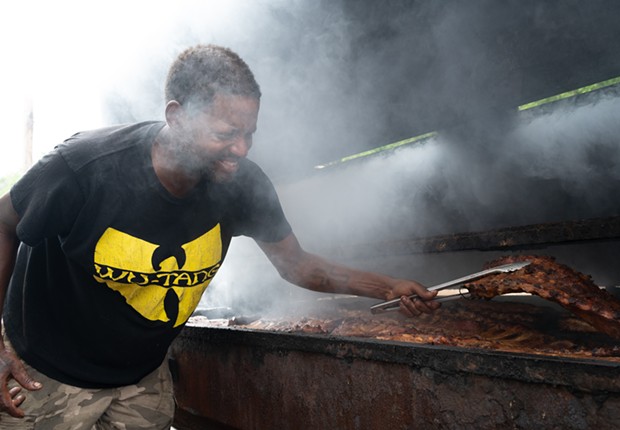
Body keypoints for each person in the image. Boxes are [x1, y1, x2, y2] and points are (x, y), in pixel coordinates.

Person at [0, 44, 440, 428]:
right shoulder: (83, 167)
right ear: (176, 116)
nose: (242, 150)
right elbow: (3, 225)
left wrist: (387, 286)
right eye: (226, 134)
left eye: (249, 134)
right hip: (47, 375)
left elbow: (299, 265)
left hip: (142, 379)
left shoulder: (243, 185)